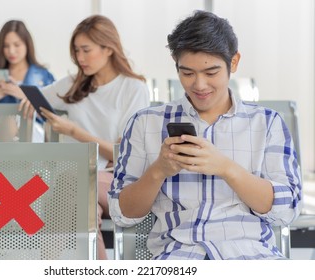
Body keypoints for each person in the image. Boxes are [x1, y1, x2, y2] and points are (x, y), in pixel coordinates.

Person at [108, 10, 302, 260]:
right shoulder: (146, 123)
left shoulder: (267, 123)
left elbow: (286, 211)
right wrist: (159, 170)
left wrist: (226, 169)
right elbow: (122, 214)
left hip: (252, 256)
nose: (199, 85)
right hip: (178, 257)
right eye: (187, 73)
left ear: (233, 62)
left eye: (211, 73)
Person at [20, 15, 150, 259]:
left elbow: (126, 155)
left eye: (86, 50)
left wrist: (73, 132)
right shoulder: (74, 84)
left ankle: (48, 260)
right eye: (76, 51)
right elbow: (35, 97)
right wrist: (27, 99)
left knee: (74, 181)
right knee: (84, 201)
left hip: (121, 180)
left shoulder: (133, 89)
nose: (80, 58)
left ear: (108, 49)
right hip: (79, 180)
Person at [0, 20, 55, 141]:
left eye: (17, 45)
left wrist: (27, 96)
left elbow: (55, 117)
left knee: (13, 122)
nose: (11, 51)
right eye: (6, 46)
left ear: (27, 44)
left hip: (33, 131)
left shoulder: (44, 77)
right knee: (8, 121)